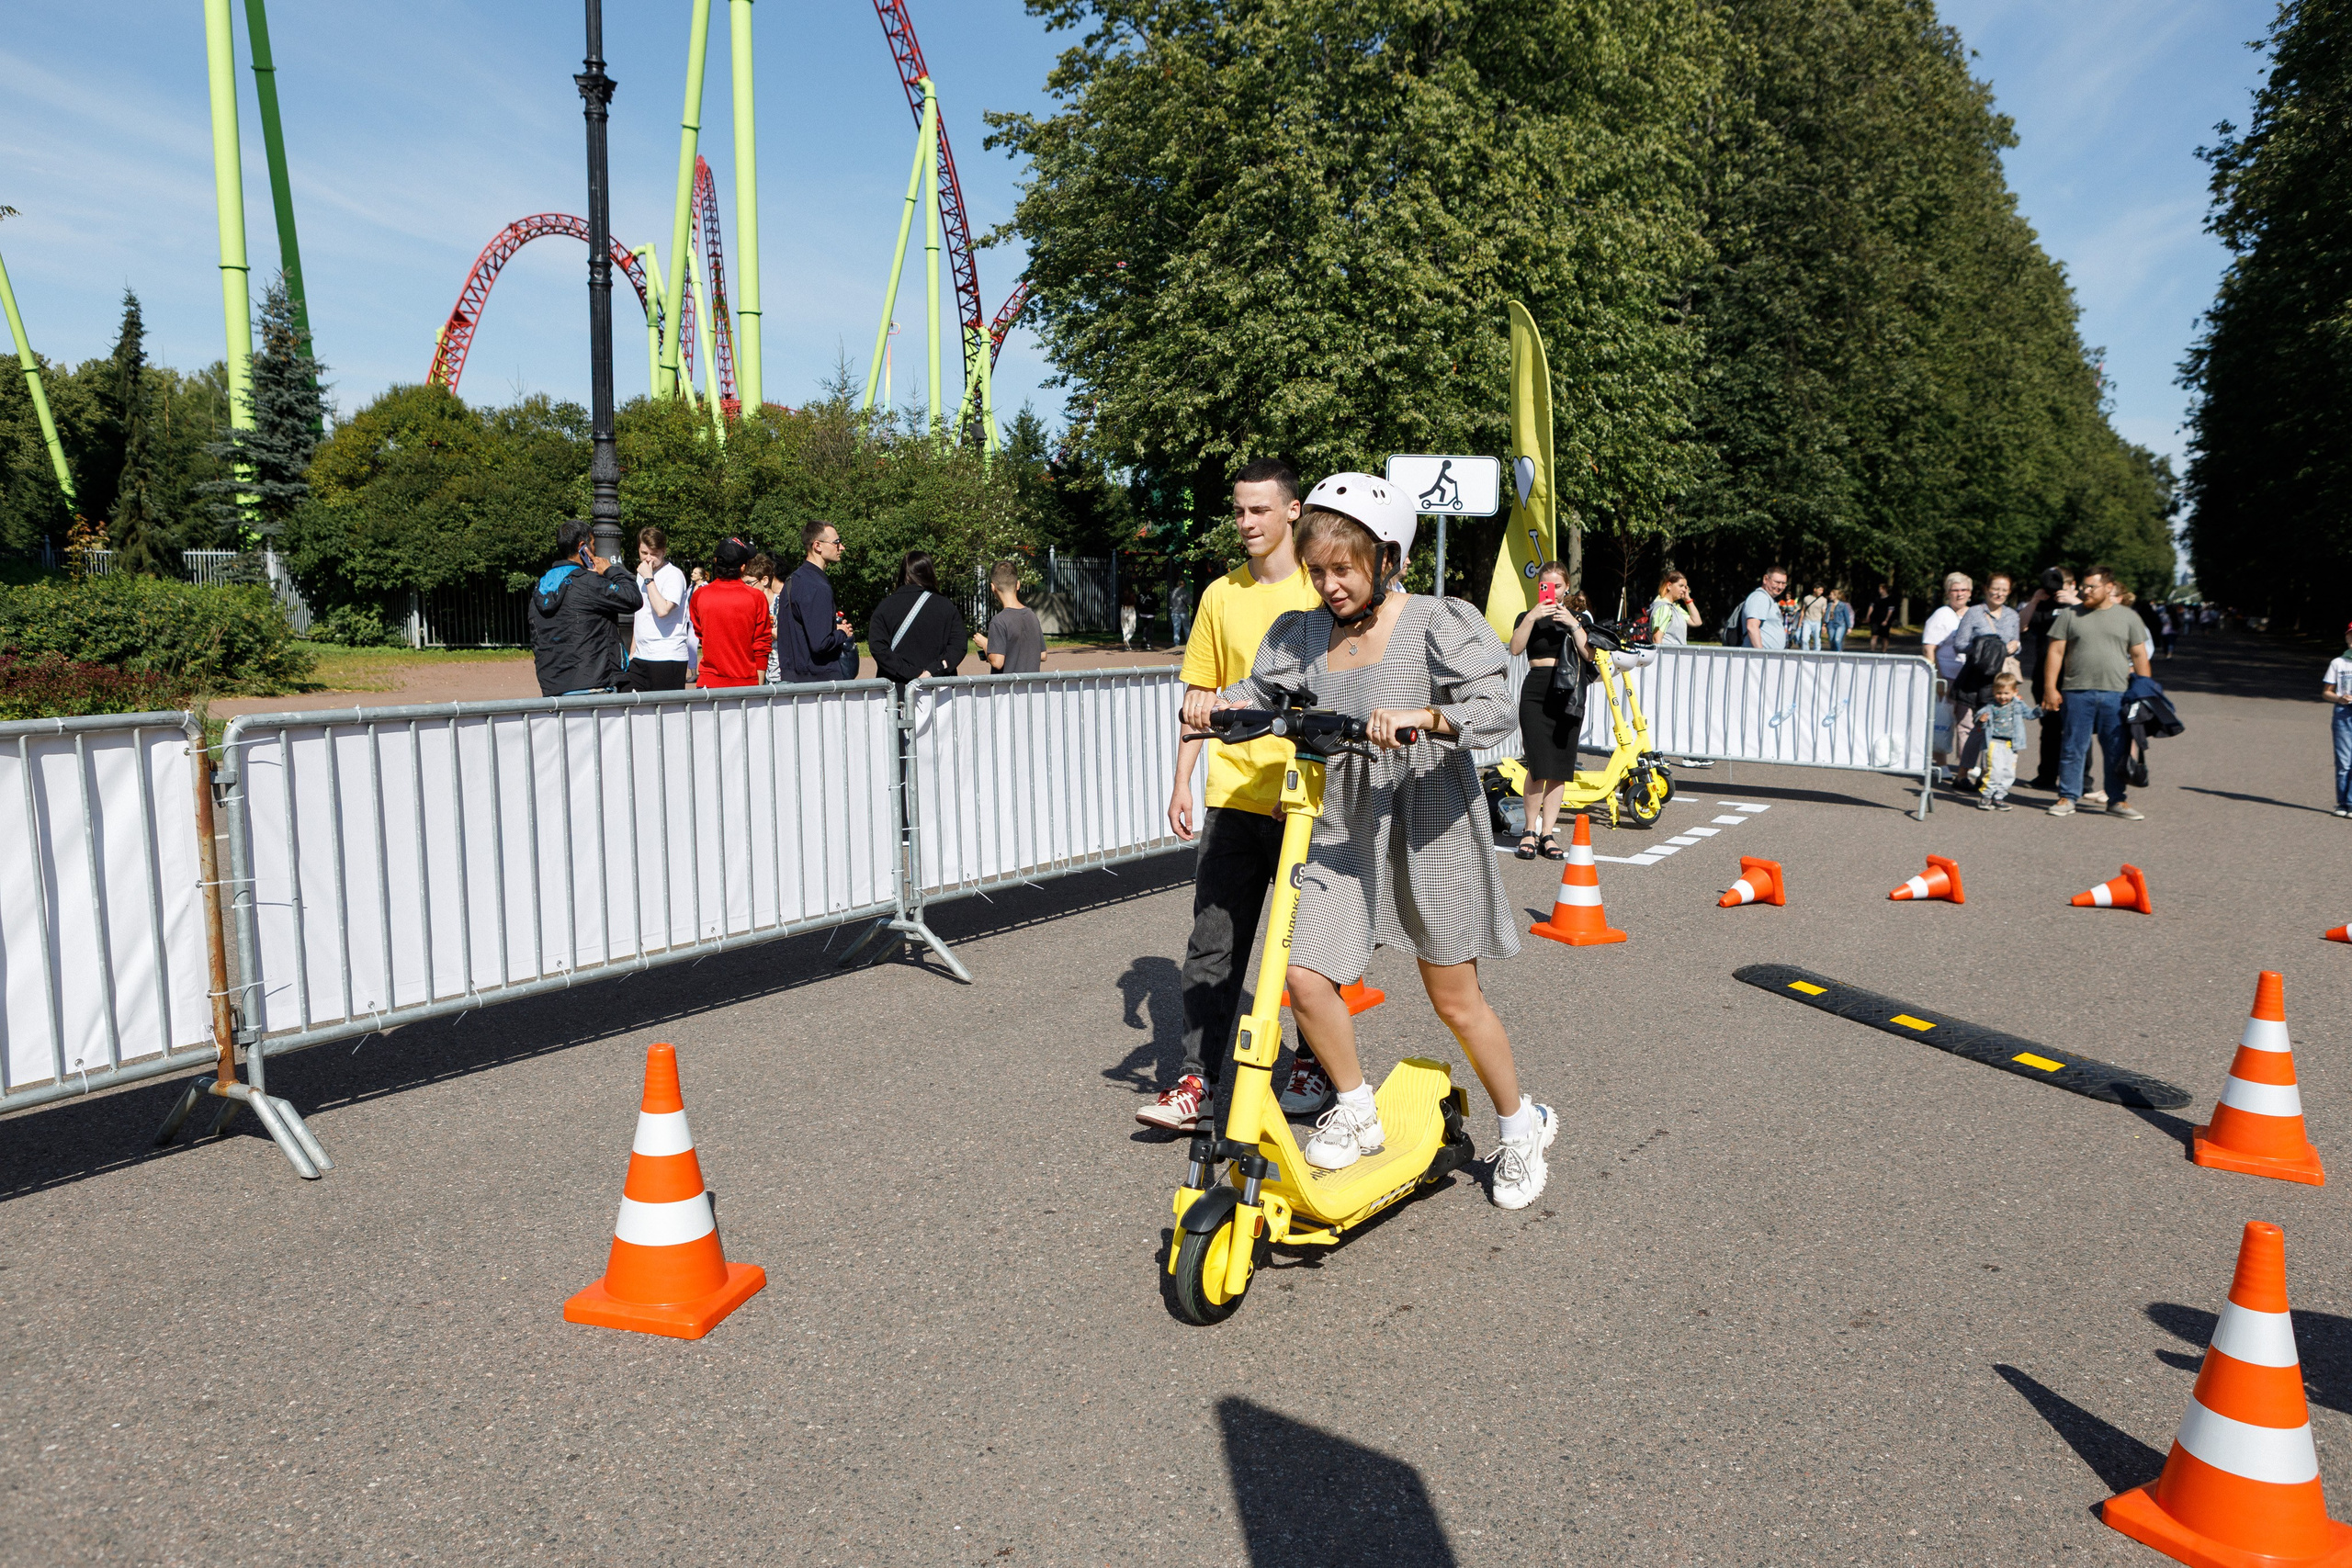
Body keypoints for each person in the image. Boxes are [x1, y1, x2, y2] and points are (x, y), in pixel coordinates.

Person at [1221, 475, 1554, 1208]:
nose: (1329, 585)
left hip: (1428, 812)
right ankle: (1358, 1105)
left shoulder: (1436, 620)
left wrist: (1426, 717)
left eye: (1343, 569)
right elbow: (1263, 690)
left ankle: (1521, 1125)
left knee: (1454, 998)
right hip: (1342, 817)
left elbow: (1496, 706)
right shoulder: (1303, 633)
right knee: (1302, 977)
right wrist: (1218, 703)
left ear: (1388, 558)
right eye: (1317, 571)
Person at [1140, 458, 1323, 1134]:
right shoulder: (1222, 595)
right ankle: (1198, 1081)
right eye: (1239, 511)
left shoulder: (1320, 590)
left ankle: (1315, 1067)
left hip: (1308, 799)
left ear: (1292, 511)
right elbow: (1200, 696)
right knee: (1212, 945)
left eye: (1259, 510)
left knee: (1308, 950)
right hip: (1234, 798)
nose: (1246, 522)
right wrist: (1182, 778)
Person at [2043, 564, 2153, 818]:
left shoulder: (2128, 617)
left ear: (2109, 587)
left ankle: (2117, 800)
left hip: (2116, 693)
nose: (2086, 591)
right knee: (2073, 746)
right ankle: (2068, 797)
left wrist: (2145, 692)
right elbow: (2056, 652)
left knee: (2116, 748)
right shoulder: (2070, 615)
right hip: (2076, 691)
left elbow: (2139, 655)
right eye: (2084, 586)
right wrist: (2050, 687)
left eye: (2092, 586)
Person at [1506, 561, 1592, 861]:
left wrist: (1573, 623)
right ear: (1539, 586)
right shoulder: (1528, 616)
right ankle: (1529, 830)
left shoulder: (1577, 617)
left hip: (1568, 694)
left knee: (1559, 768)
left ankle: (1548, 834)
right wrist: (1532, 616)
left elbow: (1589, 654)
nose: (1552, 591)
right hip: (1536, 691)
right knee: (1538, 765)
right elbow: (1515, 648)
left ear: (1566, 587)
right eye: (1546, 585)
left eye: (1557, 586)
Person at [530, 519, 643, 696]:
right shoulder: (589, 583)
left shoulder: (540, 586)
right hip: (594, 685)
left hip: (554, 688)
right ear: (583, 547)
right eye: (593, 544)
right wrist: (610, 570)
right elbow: (633, 599)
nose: (595, 549)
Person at [1947, 571, 2020, 779]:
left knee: (1999, 729)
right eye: (1995, 589)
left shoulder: (2012, 616)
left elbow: (2015, 647)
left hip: (2002, 680)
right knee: (1980, 726)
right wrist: (1984, 647)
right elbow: (1959, 645)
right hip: (1978, 678)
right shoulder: (1974, 613)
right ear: (1986, 589)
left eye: (2004, 590)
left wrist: (2016, 647)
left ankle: (1987, 776)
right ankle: (1963, 774)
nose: (1999, 593)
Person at [867, 549, 970, 685]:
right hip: (939, 691)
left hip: (896, 690)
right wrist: (933, 670)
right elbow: (958, 646)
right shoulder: (946, 606)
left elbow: (879, 648)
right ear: (930, 573)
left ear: (902, 573)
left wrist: (911, 672)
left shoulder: (884, 607)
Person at [686, 537, 773, 689]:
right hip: (745, 681)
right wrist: (759, 684)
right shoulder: (756, 597)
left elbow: (700, 634)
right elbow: (761, 644)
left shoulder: (700, 595)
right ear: (742, 568)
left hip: (709, 683)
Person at [2018, 568, 2076, 790]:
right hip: (2045, 674)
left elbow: (2102, 619)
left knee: (2076, 728)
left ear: (2073, 584)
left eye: (2063, 583)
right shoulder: (2043, 605)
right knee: (2049, 728)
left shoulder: (2081, 606)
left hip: (2075, 675)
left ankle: (2080, 780)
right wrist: (2034, 601)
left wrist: (2074, 601)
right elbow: (2020, 626)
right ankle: (2046, 776)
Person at [778, 520, 856, 683]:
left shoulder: (794, 580)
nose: (842, 547)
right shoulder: (817, 586)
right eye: (836, 543)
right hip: (818, 684)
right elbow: (820, 643)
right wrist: (842, 633)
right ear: (817, 546)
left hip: (795, 679)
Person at [1919, 572, 1974, 773]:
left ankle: (1965, 766)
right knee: (1942, 720)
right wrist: (1938, 677)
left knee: (1967, 722)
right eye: (1955, 590)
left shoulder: (1975, 614)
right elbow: (1929, 648)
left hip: (1969, 676)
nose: (1960, 594)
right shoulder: (1942, 614)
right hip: (1947, 676)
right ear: (1947, 593)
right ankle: (1940, 763)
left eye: (1964, 590)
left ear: (1970, 592)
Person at [627, 527, 691, 692]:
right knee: (633, 708)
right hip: (642, 655)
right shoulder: (641, 575)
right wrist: (632, 652)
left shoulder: (673, 575)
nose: (648, 559)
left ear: (663, 551)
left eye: (653, 553)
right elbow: (641, 614)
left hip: (667, 655)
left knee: (667, 713)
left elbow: (662, 610)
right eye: (644, 553)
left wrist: (649, 579)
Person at [1972, 672, 2037, 810]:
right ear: (1994, 692)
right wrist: (1981, 719)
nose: (2002, 697)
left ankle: (1999, 797)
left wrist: (2042, 709)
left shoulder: (2018, 704)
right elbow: (1979, 717)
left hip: (2012, 744)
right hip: (1994, 743)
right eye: (1999, 693)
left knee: (2008, 772)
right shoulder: (1991, 706)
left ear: (2015, 692)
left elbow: (2030, 715)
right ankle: (1986, 796)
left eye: (2006, 693)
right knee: (1994, 771)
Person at [975, 558, 1046, 674]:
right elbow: (1042, 655)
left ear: (993, 587)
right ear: (1017, 585)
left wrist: (985, 644)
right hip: (1030, 689)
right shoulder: (1032, 616)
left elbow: (997, 662)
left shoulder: (999, 621)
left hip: (1007, 690)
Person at [744, 552, 785, 683]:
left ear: (765, 580)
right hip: (758, 675)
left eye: (749, 583)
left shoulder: (784, 604)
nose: (746, 589)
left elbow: (793, 637)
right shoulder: (748, 608)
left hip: (782, 676)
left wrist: (768, 632)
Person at [2326, 624, 2352, 818]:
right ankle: (2342, 803)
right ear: (2346, 638)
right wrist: (2339, 698)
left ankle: (2351, 803)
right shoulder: (2338, 663)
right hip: (2343, 713)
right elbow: (2326, 692)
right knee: (2343, 762)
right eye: (2351, 636)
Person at [1741, 566, 1791, 650]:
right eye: (1777, 582)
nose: (1780, 587)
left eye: (1783, 583)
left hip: (1768, 658)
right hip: (1760, 660)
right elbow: (1752, 626)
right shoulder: (1760, 597)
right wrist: (1761, 655)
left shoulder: (1768, 599)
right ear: (1765, 579)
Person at [1647, 570, 1698, 646]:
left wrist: (1687, 599)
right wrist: (1661, 657)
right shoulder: (1664, 608)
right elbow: (1656, 639)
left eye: (1685, 587)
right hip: (1667, 656)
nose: (1684, 590)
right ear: (1669, 586)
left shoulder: (1674, 607)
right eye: (1681, 586)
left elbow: (1696, 622)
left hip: (1676, 655)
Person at [1864, 581, 1897, 652]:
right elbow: (1871, 607)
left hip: (1884, 619)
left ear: (1884, 589)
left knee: (1885, 637)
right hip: (1875, 619)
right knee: (1874, 635)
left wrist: (1886, 620)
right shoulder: (1875, 598)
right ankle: (1872, 650)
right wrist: (1868, 616)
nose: (1879, 590)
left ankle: (1883, 651)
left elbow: (1890, 611)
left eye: (1880, 589)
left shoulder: (1890, 599)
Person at [1797, 584, 1828, 649]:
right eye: (1820, 590)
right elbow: (1803, 611)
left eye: (1822, 590)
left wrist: (1824, 625)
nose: (1821, 592)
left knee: (1817, 640)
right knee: (1804, 639)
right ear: (1815, 589)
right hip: (1807, 620)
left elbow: (1824, 613)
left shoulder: (1823, 600)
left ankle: (1816, 655)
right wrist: (1800, 623)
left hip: (1818, 621)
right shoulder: (1807, 598)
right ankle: (1806, 654)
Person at [1825, 586, 1853, 651]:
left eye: (1831, 595)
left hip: (1840, 624)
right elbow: (1827, 615)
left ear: (1835, 596)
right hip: (1831, 624)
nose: (1830, 596)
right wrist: (1824, 624)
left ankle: (1839, 654)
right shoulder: (1830, 604)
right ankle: (1833, 655)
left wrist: (1849, 627)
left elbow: (1846, 616)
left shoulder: (1842, 605)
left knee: (1837, 640)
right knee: (1832, 641)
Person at [1168, 577, 1193, 647]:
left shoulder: (1173, 592)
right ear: (1184, 584)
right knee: (1186, 627)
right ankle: (1188, 641)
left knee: (1176, 628)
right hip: (1184, 611)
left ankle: (1176, 643)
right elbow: (1190, 602)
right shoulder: (1185, 592)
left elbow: (1171, 602)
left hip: (1175, 611)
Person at [1119, 583, 1140, 652]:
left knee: (1124, 628)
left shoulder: (1122, 594)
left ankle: (1126, 645)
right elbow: (1136, 602)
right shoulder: (1132, 594)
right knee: (1132, 628)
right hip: (1131, 609)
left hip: (1123, 609)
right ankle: (1127, 639)